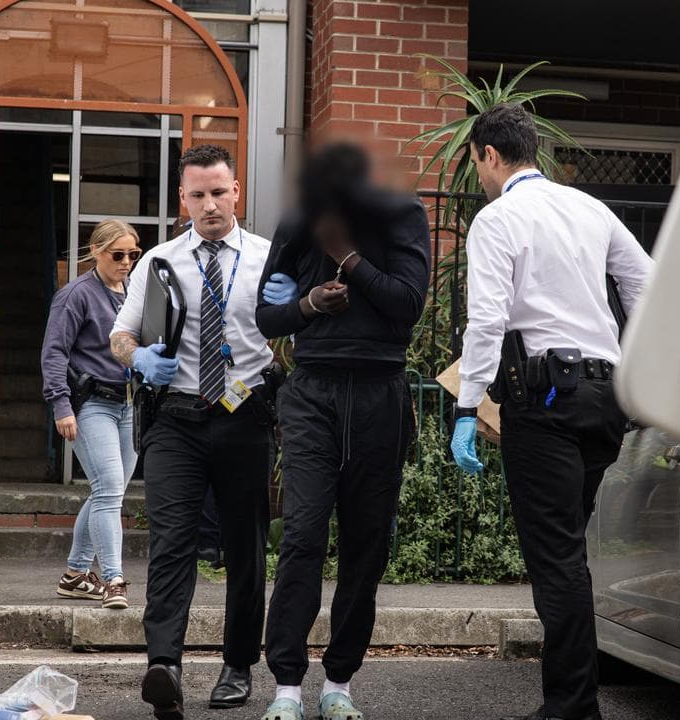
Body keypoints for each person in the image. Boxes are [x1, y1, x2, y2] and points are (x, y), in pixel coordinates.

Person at [450, 103, 653, 720]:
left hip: (545, 401)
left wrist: (466, 409)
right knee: (570, 551)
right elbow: (645, 281)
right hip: (604, 399)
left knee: (557, 558)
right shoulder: (590, 208)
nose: (480, 177)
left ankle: (572, 707)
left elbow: (487, 319)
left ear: (488, 154)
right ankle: (574, 699)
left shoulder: (498, 217)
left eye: (477, 164)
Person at [253, 141, 430, 720]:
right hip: (314, 392)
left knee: (366, 543)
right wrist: (307, 304)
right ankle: (285, 687)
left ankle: (339, 683)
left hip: (381, 391)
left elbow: (407, 304)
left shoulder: (403, 217)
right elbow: (267, 315)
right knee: (303, 534)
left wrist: (348, 259)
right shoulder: (299, 221)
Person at [110, 145, 274, 720]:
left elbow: (294, 336)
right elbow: (121, 335)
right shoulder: (159, 260)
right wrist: (138, 360)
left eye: (219, 192)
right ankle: (165, 667)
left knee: (245, 548)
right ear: (183, 199)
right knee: (172, 542)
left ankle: (237, 665)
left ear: (237, 193)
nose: (209, 204)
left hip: (245, 414)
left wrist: (298, 312)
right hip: (176, 416)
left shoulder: (266, 259)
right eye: (198, 195)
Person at [40, 219, 142, 610]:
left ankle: (75, 574)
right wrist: (61, 405)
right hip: (92, 403)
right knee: (110, 490)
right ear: (96, 251)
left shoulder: (133, 291)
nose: (127, 262)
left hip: (129, 403)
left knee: (107, 492)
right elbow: (54, 353)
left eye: (133, 254)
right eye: (118, 254)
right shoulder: (76, 295)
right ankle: (115, 579)